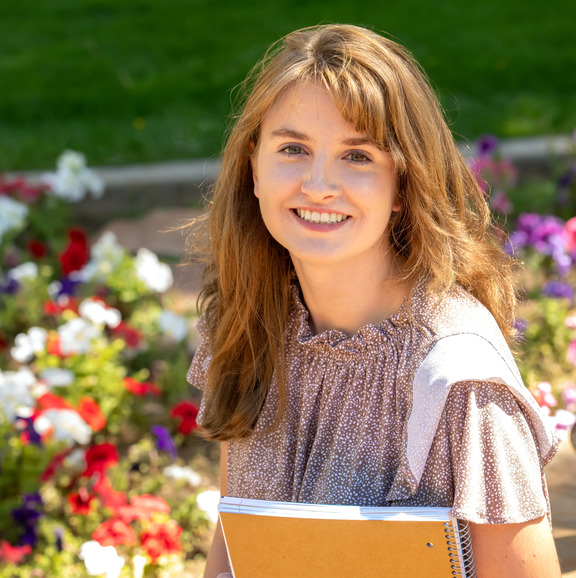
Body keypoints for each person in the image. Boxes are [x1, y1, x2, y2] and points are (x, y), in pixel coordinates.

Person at [186, 24, 561, 577]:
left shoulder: (460, 381)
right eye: (293, 149)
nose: (318, 184)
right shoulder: (249, 324)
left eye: (357, 157)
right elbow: (235, 545)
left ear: (403, 188)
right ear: (253, 165)